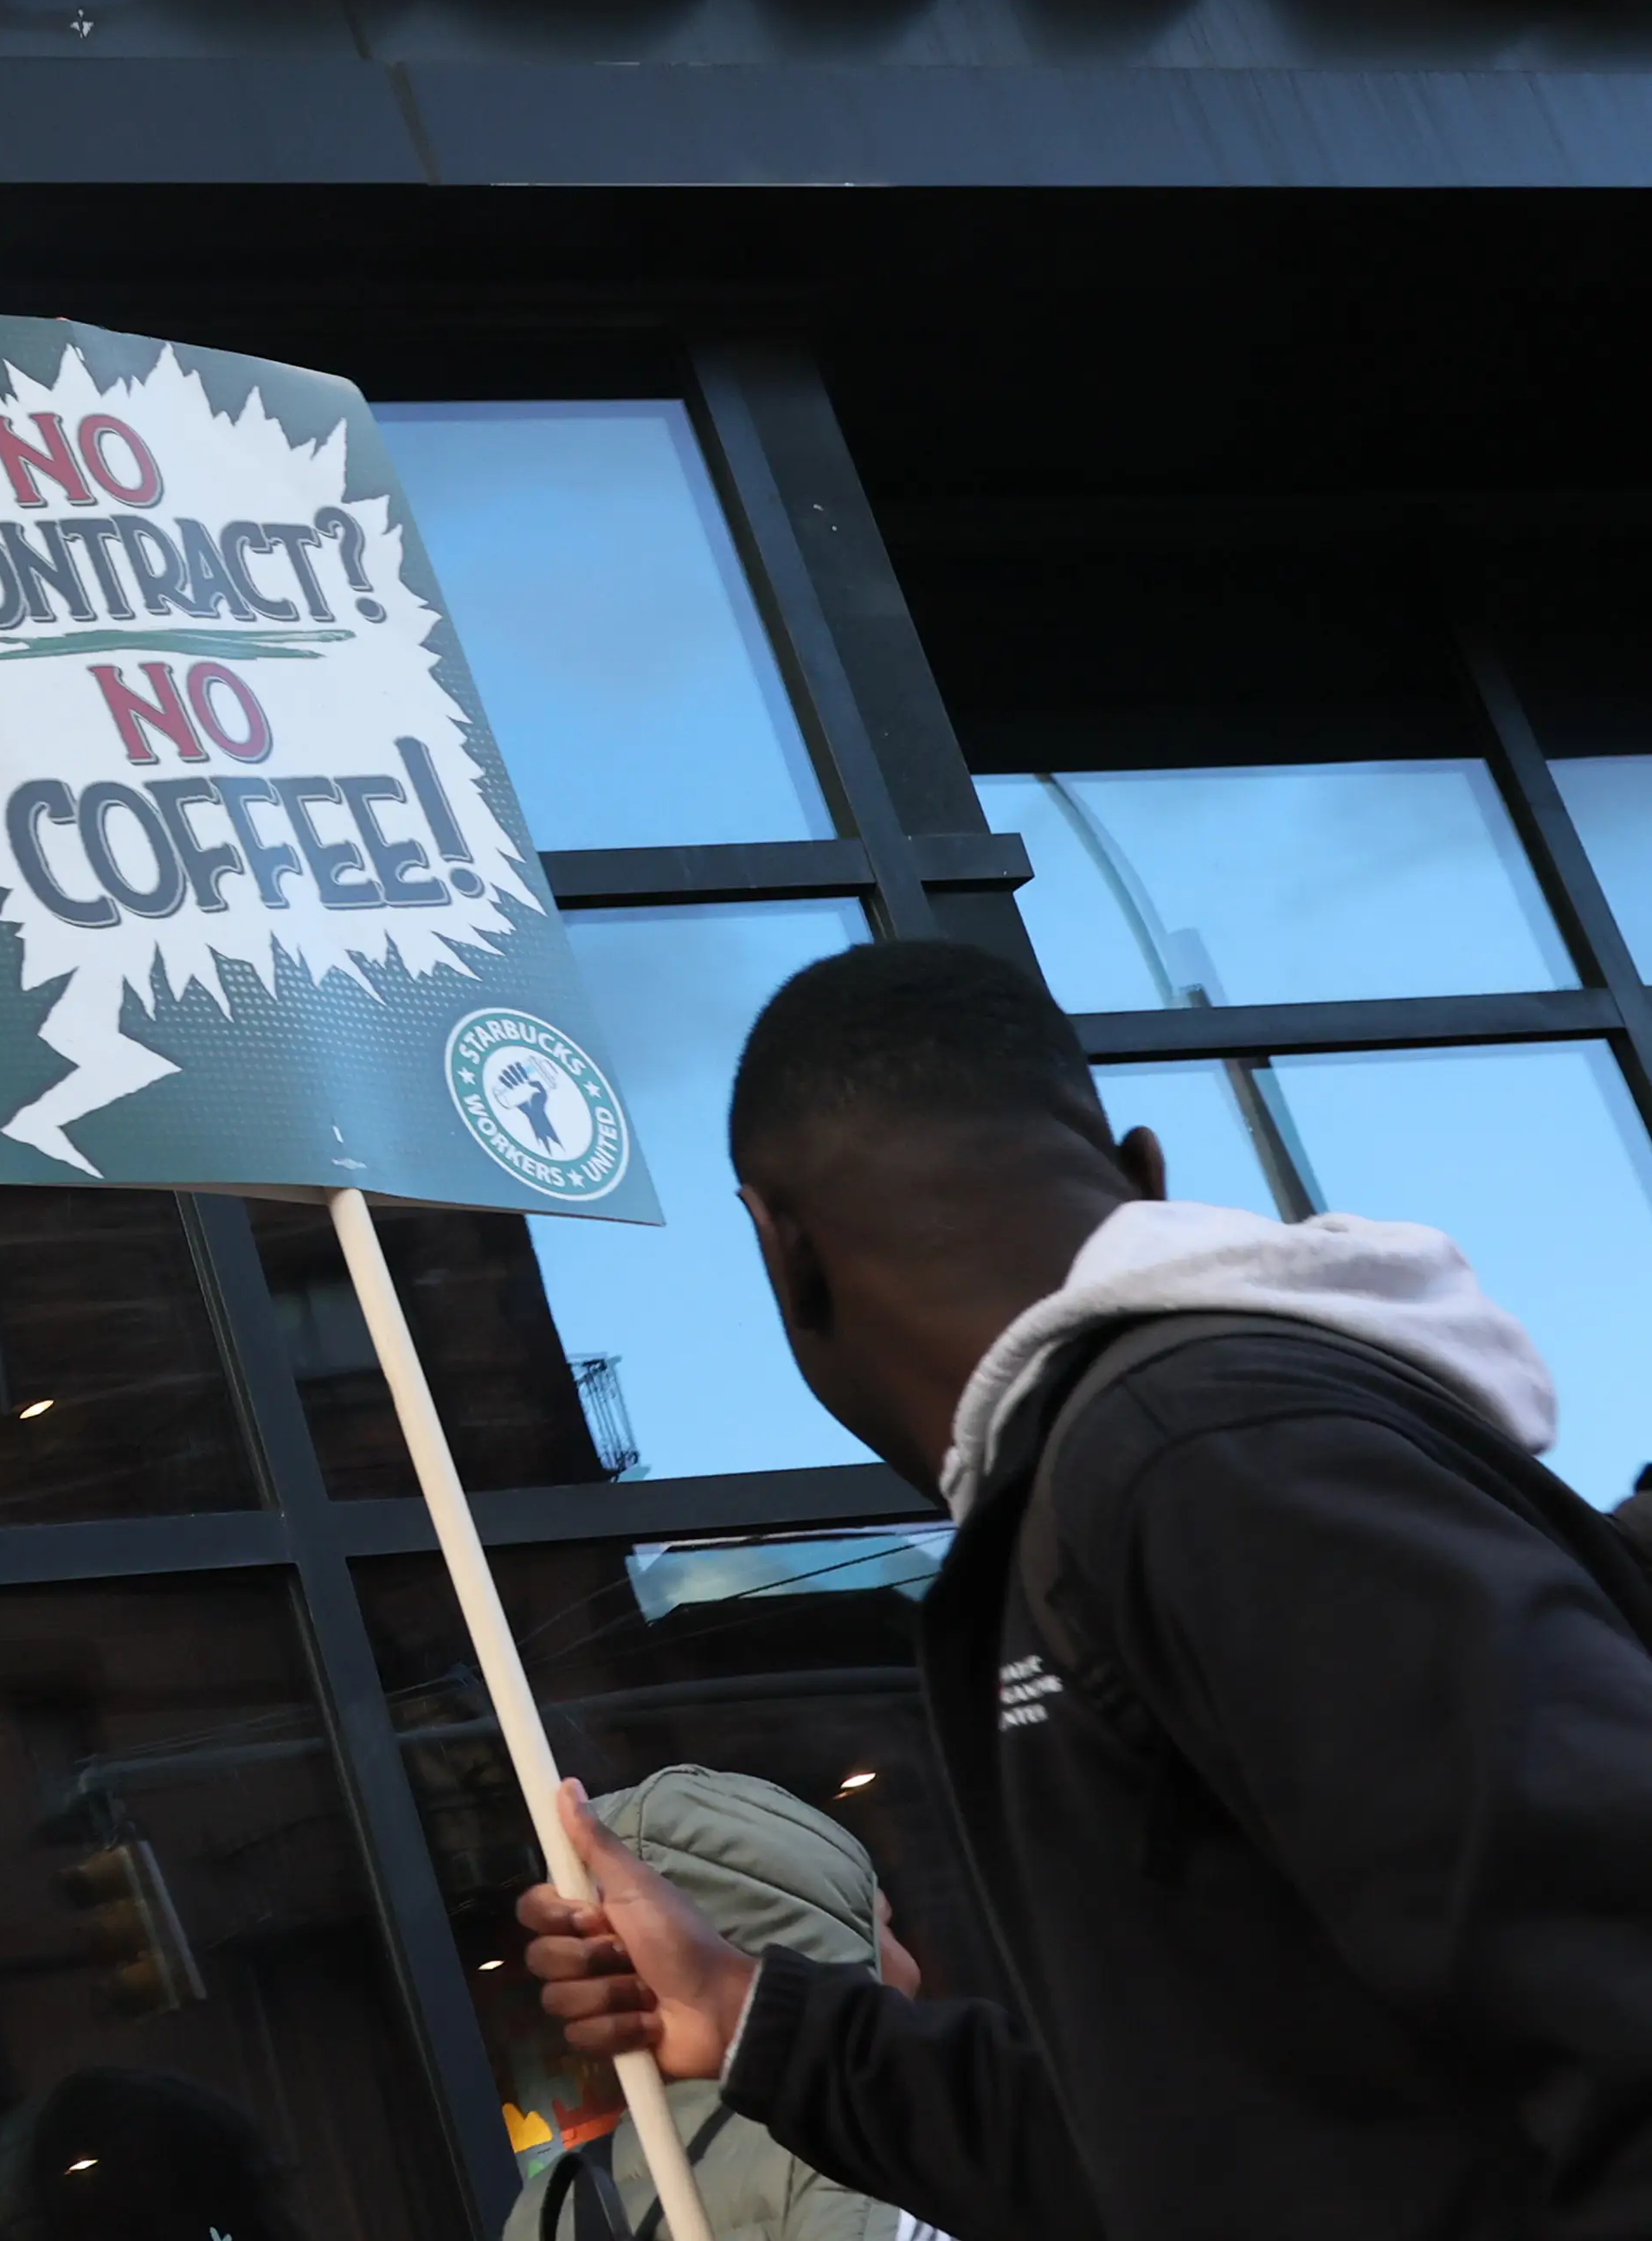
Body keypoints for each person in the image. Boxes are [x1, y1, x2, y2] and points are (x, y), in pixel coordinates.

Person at [515, 939, 1652, 2241]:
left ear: (782, 1248)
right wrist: (742, 2015)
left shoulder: (1190, 1464)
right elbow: (1191, 2145)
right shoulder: (1142, 1479)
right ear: (1143, 1178)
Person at [484, 1768, 930, 2241]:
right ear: (816, 1942)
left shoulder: (549, 2208)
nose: (911, 1964)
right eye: (879, 1924)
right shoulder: (871, 2141)